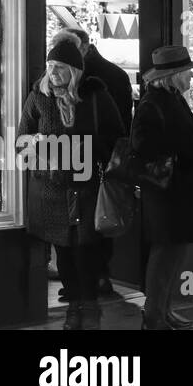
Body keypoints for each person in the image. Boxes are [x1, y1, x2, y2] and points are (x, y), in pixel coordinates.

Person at [17, 39, 122, 330]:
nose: (53, 73)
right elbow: (21, 141)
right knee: (63, 251)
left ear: (74, 70)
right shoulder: (38, 98)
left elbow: (117, 138)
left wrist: (82, 149)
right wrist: (37, 147)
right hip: (51, 190)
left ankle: (89, 308)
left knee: (85, 250)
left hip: (86, 188)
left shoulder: (96, 96)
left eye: (60, 67)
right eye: (50, 67)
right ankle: (74, 309)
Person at [132, 45, 193, 330]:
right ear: (174, 75)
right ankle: (154, 316)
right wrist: (189, 146)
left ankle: (164, 310)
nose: (191, 75)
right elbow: (143, 147)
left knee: (174, 254)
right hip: (166, 194)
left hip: (179, 191)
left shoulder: (172, 99)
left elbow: (179, 136)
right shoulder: (152, 103)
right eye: (187, 71)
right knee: (164, 255)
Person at [62, 26, 134, 297]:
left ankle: (85, 284)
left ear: (82, 46)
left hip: (88, 161)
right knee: (100, 219)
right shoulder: (113, 74)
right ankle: (97, 278)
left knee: (85, 223)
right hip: (103, 159)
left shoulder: (92, 79)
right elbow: (123, 124)